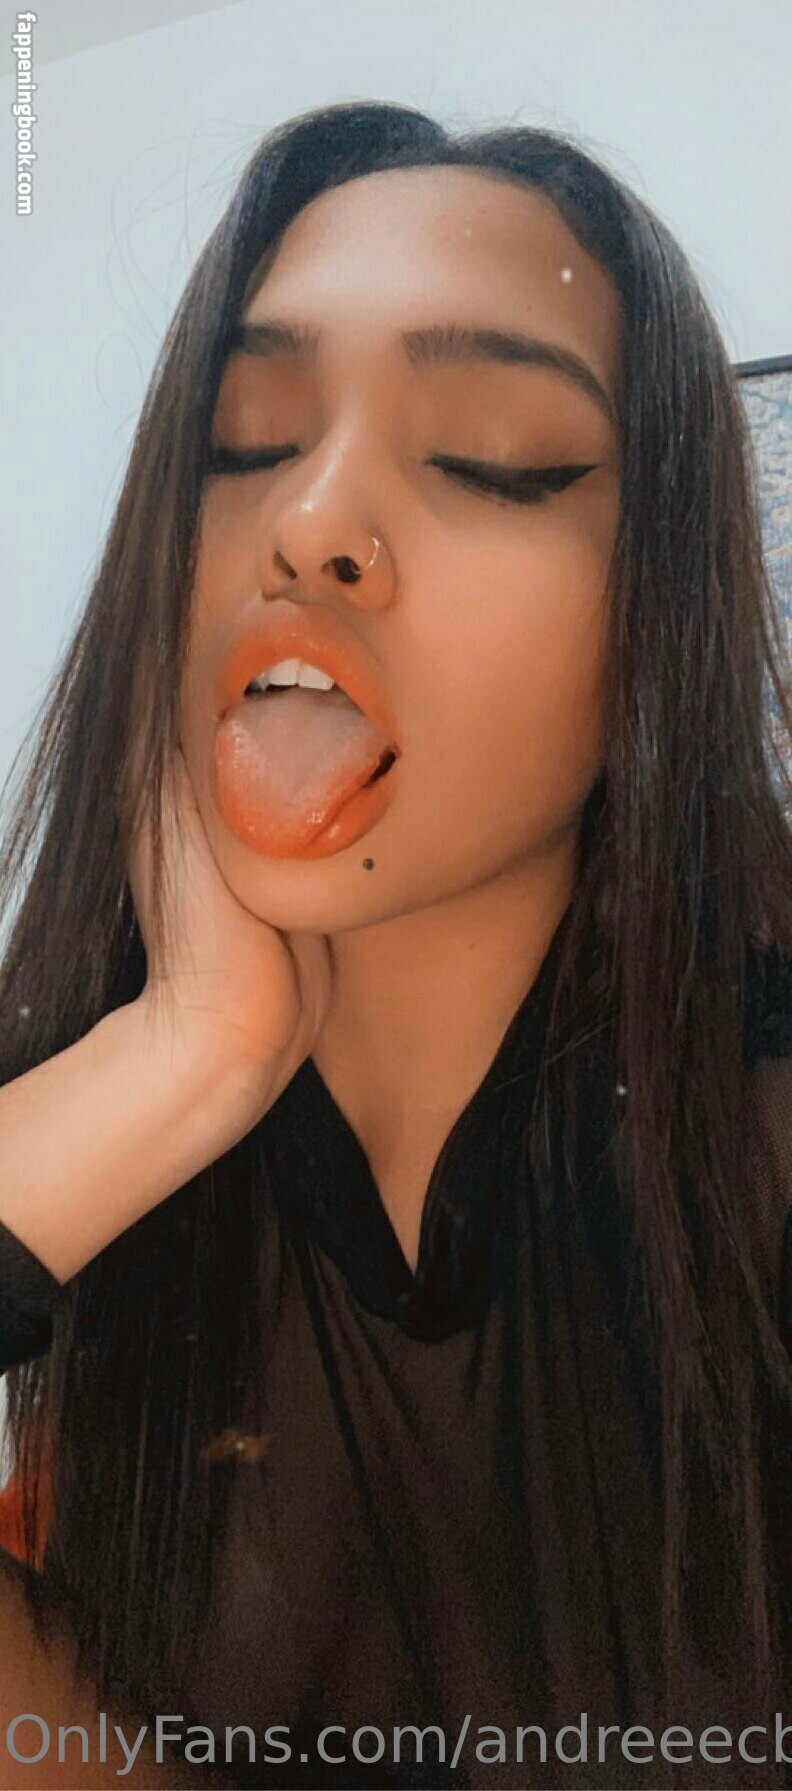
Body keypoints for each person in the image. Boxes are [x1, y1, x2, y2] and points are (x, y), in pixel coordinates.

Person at [0, 98, 790, 1791]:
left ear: (658, 617)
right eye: (243, 441)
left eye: (500, 457)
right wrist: (176, 1060)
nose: (311, 517)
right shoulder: (77, 1103)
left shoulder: (760, 1109)